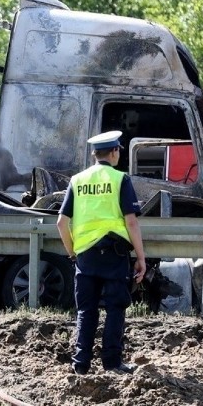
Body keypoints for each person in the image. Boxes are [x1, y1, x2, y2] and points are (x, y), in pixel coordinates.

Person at [56, 130, 146, 375]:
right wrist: (141, 257)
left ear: (94, 154)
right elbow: (132, 223)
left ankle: (81, 365)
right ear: (114, 152)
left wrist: (74, 253)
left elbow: (61, 223)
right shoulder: (120, 179)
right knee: (116, 308)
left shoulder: (77, 180)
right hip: (115, 255)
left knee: (86, 310)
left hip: (85, 256)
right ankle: (112, 363)